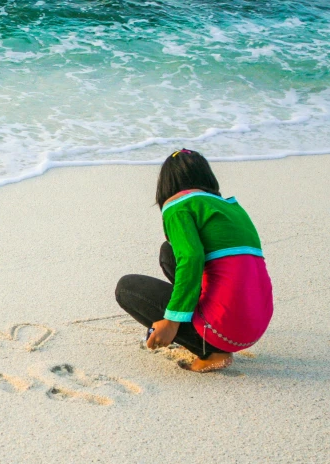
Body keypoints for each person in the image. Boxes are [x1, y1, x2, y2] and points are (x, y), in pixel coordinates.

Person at [115, 149, 273, 372]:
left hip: (224, 330)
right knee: (169, 252)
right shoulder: (232, 208)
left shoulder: (178, 206)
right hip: (255, 325)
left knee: (127, 288)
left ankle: (211, 351)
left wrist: (171, 320)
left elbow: (191, 257)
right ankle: (207, 327)